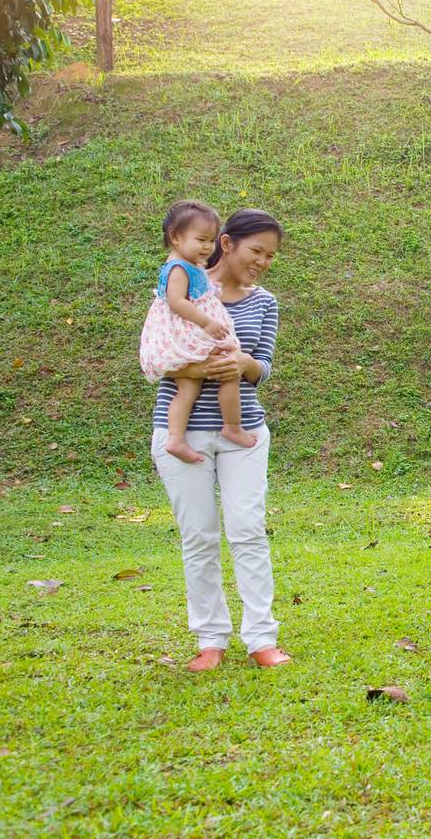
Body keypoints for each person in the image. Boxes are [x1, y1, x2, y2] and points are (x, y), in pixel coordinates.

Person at [148, 208, 290, 672]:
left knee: (247, 530)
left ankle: (261, 638)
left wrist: (242, 364)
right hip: (182, 431)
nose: (263, 261)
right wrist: (201, 369)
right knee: (199, 536)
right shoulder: (181, 288)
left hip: (243, 431)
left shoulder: (265, 301)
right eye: (256, 251)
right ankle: (211, 640)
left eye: (271, 255)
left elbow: (263, 367)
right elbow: (156, 355)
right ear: (226, 244)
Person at [140, 200, 256, 464]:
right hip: (188, 332)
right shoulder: (179, 268)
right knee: (228, 369)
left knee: (188, 388)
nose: (208, 247)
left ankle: (176, 439)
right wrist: (207, 322)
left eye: (212, 240)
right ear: (176, 237)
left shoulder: (188, 265)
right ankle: (232, 426)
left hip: (186, 331)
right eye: (201, 239)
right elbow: (177, 302)